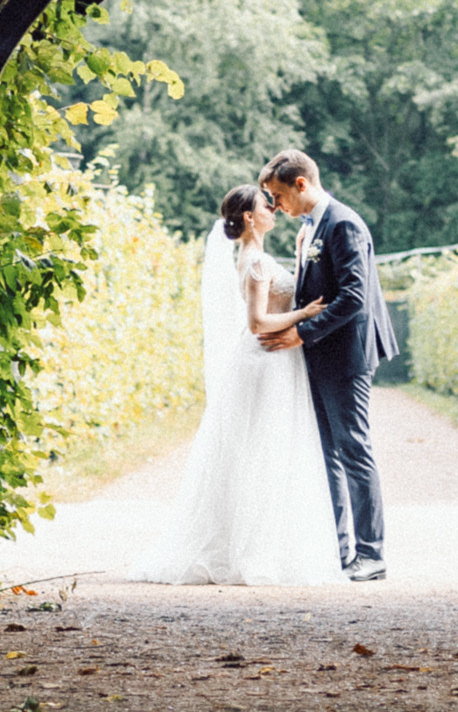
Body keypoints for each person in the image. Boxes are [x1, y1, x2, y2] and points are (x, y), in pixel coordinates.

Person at [128, 180, 348, 588]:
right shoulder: (256, 262)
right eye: (268, 205)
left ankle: (256, 541)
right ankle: (255, 548)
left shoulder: (256, 257)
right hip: (265, 361)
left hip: (273, 361)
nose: (274, 209)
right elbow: (257, 323)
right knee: (264, 449)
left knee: (262, 449)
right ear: (250, 217)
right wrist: (305, 315)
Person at [258, 147, 397, 582]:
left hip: (345, 354)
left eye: (278, 196)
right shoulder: (311, 228)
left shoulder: (343, 224)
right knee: (327, 455)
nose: (275, 207)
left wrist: (301, 333)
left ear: (301, 184)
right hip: (318, 355)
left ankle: (371, 553)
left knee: (354, 449)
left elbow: (354, 299)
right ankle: (339, 551)